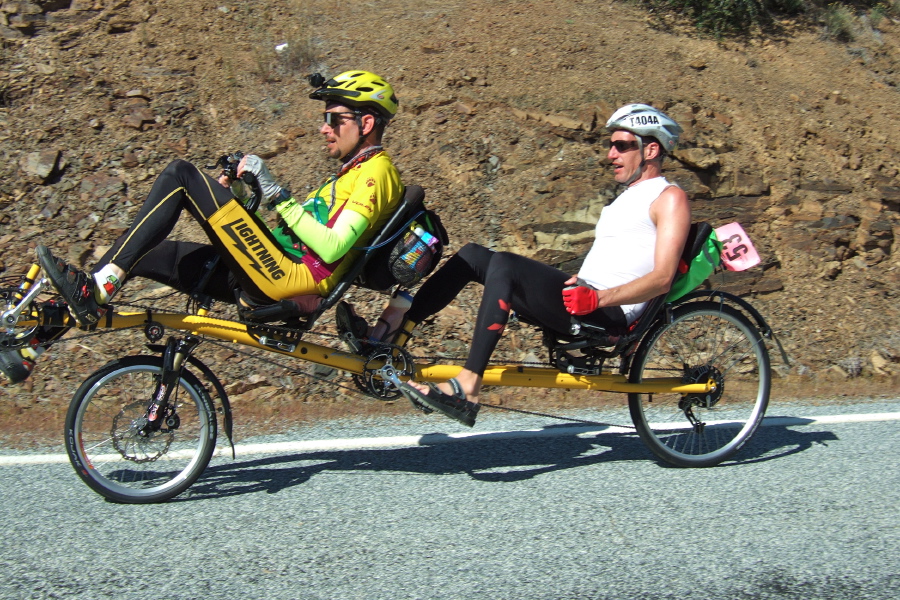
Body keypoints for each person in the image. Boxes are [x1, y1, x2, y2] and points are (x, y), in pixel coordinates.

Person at [399, 104, 692, 427]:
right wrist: (585, 284)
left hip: (608, 313)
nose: (611, 154)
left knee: (506, 265)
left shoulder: (669, 198)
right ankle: (396, 333)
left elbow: (662, 278)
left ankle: (468, 385)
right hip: (583, 296)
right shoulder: (624, 199)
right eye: (610, 145)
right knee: (474, 256)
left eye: (621, 146)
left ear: (651, 149)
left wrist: (599, 299)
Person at [36, 70, 403, 328]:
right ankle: (40, 337)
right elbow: (297, 230)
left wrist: (277, 195)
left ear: (366, 123)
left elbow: (334, 246)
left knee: (181, 174)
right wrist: (236, 198)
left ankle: (98, 288)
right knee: (141, 247)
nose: (324, 127)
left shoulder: (376, 173)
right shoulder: (352, 171)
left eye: (333, 118)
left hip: (291, 278)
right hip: (275, 266)